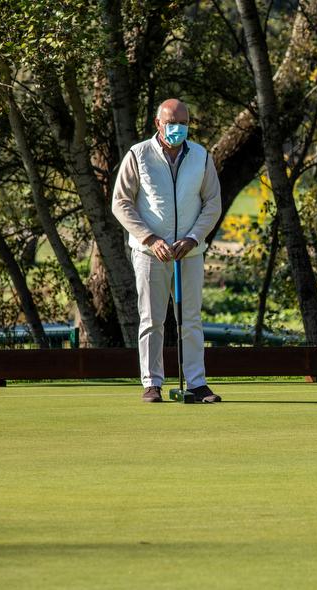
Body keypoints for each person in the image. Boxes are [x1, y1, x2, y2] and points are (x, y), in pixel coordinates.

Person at [111, 99, 223, 403]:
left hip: (189, 253)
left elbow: (212, 203)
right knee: (151, 319)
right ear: (158, 123)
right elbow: (121, 203)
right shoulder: (138, 154)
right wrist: (150, 239)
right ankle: (152, 383)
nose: (178, 128)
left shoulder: (201, 156)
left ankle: (197, 383)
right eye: (172, 122)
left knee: (191, 319)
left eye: (183, 123)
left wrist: (193, 238)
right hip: (150, 254)